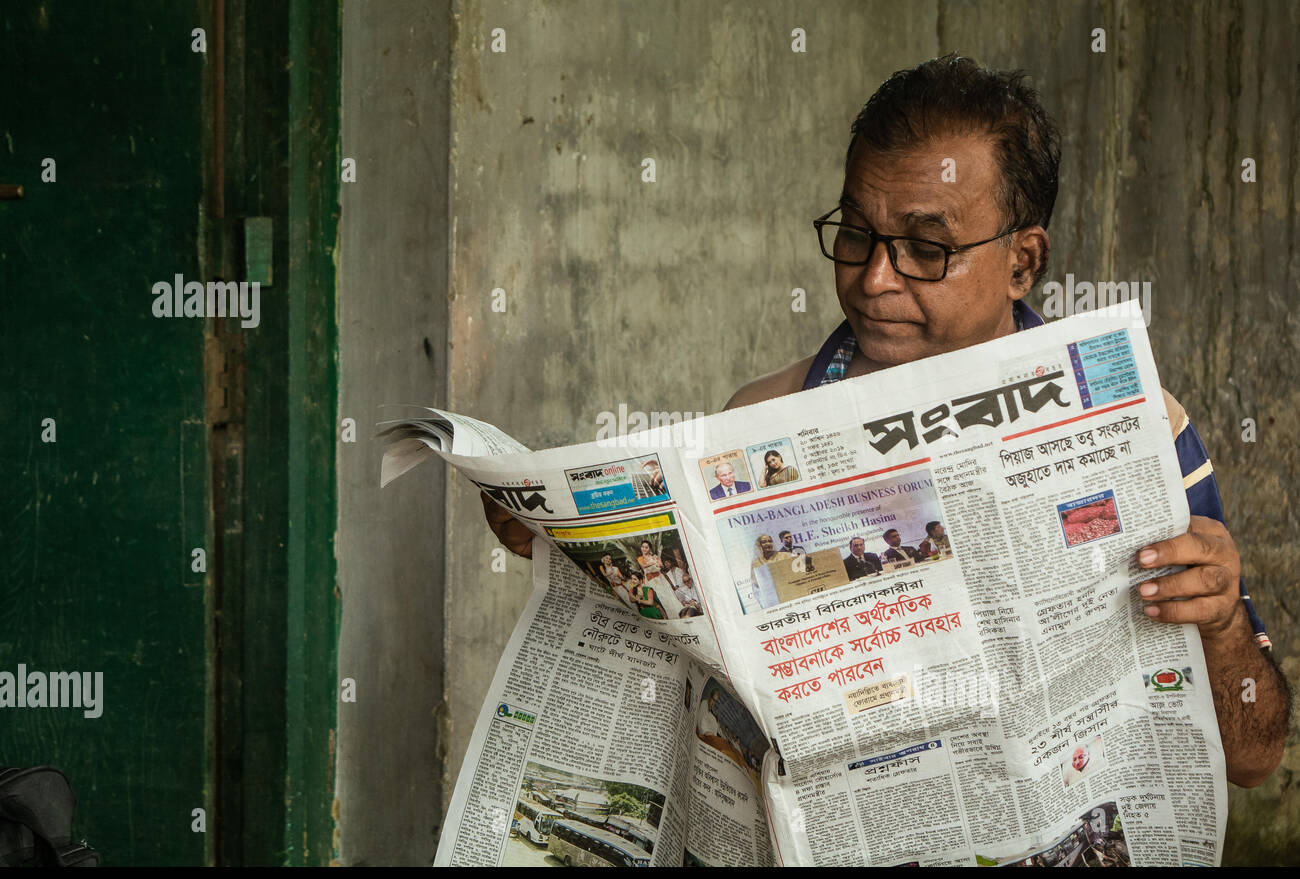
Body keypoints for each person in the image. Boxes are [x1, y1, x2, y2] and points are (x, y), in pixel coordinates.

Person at [482, 55, 1287, 789]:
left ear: (1023, 262)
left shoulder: (1138, 428)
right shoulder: (763, 423)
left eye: (926, 250)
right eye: (858, 235)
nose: (873, 280)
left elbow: (1254, 759)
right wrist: (568, 542)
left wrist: (1218, 627)